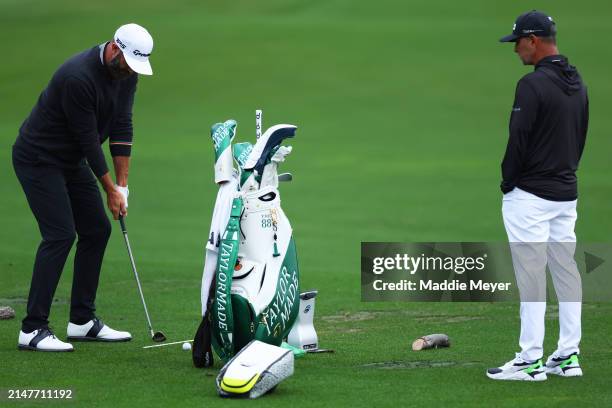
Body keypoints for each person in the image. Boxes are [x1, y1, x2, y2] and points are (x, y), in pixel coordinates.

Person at [12, 23, 154, 352]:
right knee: (60, 234)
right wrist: (109, 191)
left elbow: (122, 125)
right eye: (129, 64)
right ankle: (32, 329)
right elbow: (89, 142)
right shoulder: (78, 76)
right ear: (116, 50)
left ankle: (82, 321)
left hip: (70, 160)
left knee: (96, 230)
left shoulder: (126, 74)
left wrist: (123, 186)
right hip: (39, 158)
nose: (131, 72)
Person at [487, 11, 588, 380]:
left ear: (533, 40)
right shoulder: (576, 82)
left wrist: (507, 181)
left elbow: (519, 139)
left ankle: (529, 360)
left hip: (529, 195)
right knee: (565, 269)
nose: (515, 50)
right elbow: (580, 135)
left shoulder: (531, 86)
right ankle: (567, 355)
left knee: (530, 274)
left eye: (517, 42)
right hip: (566, 192)